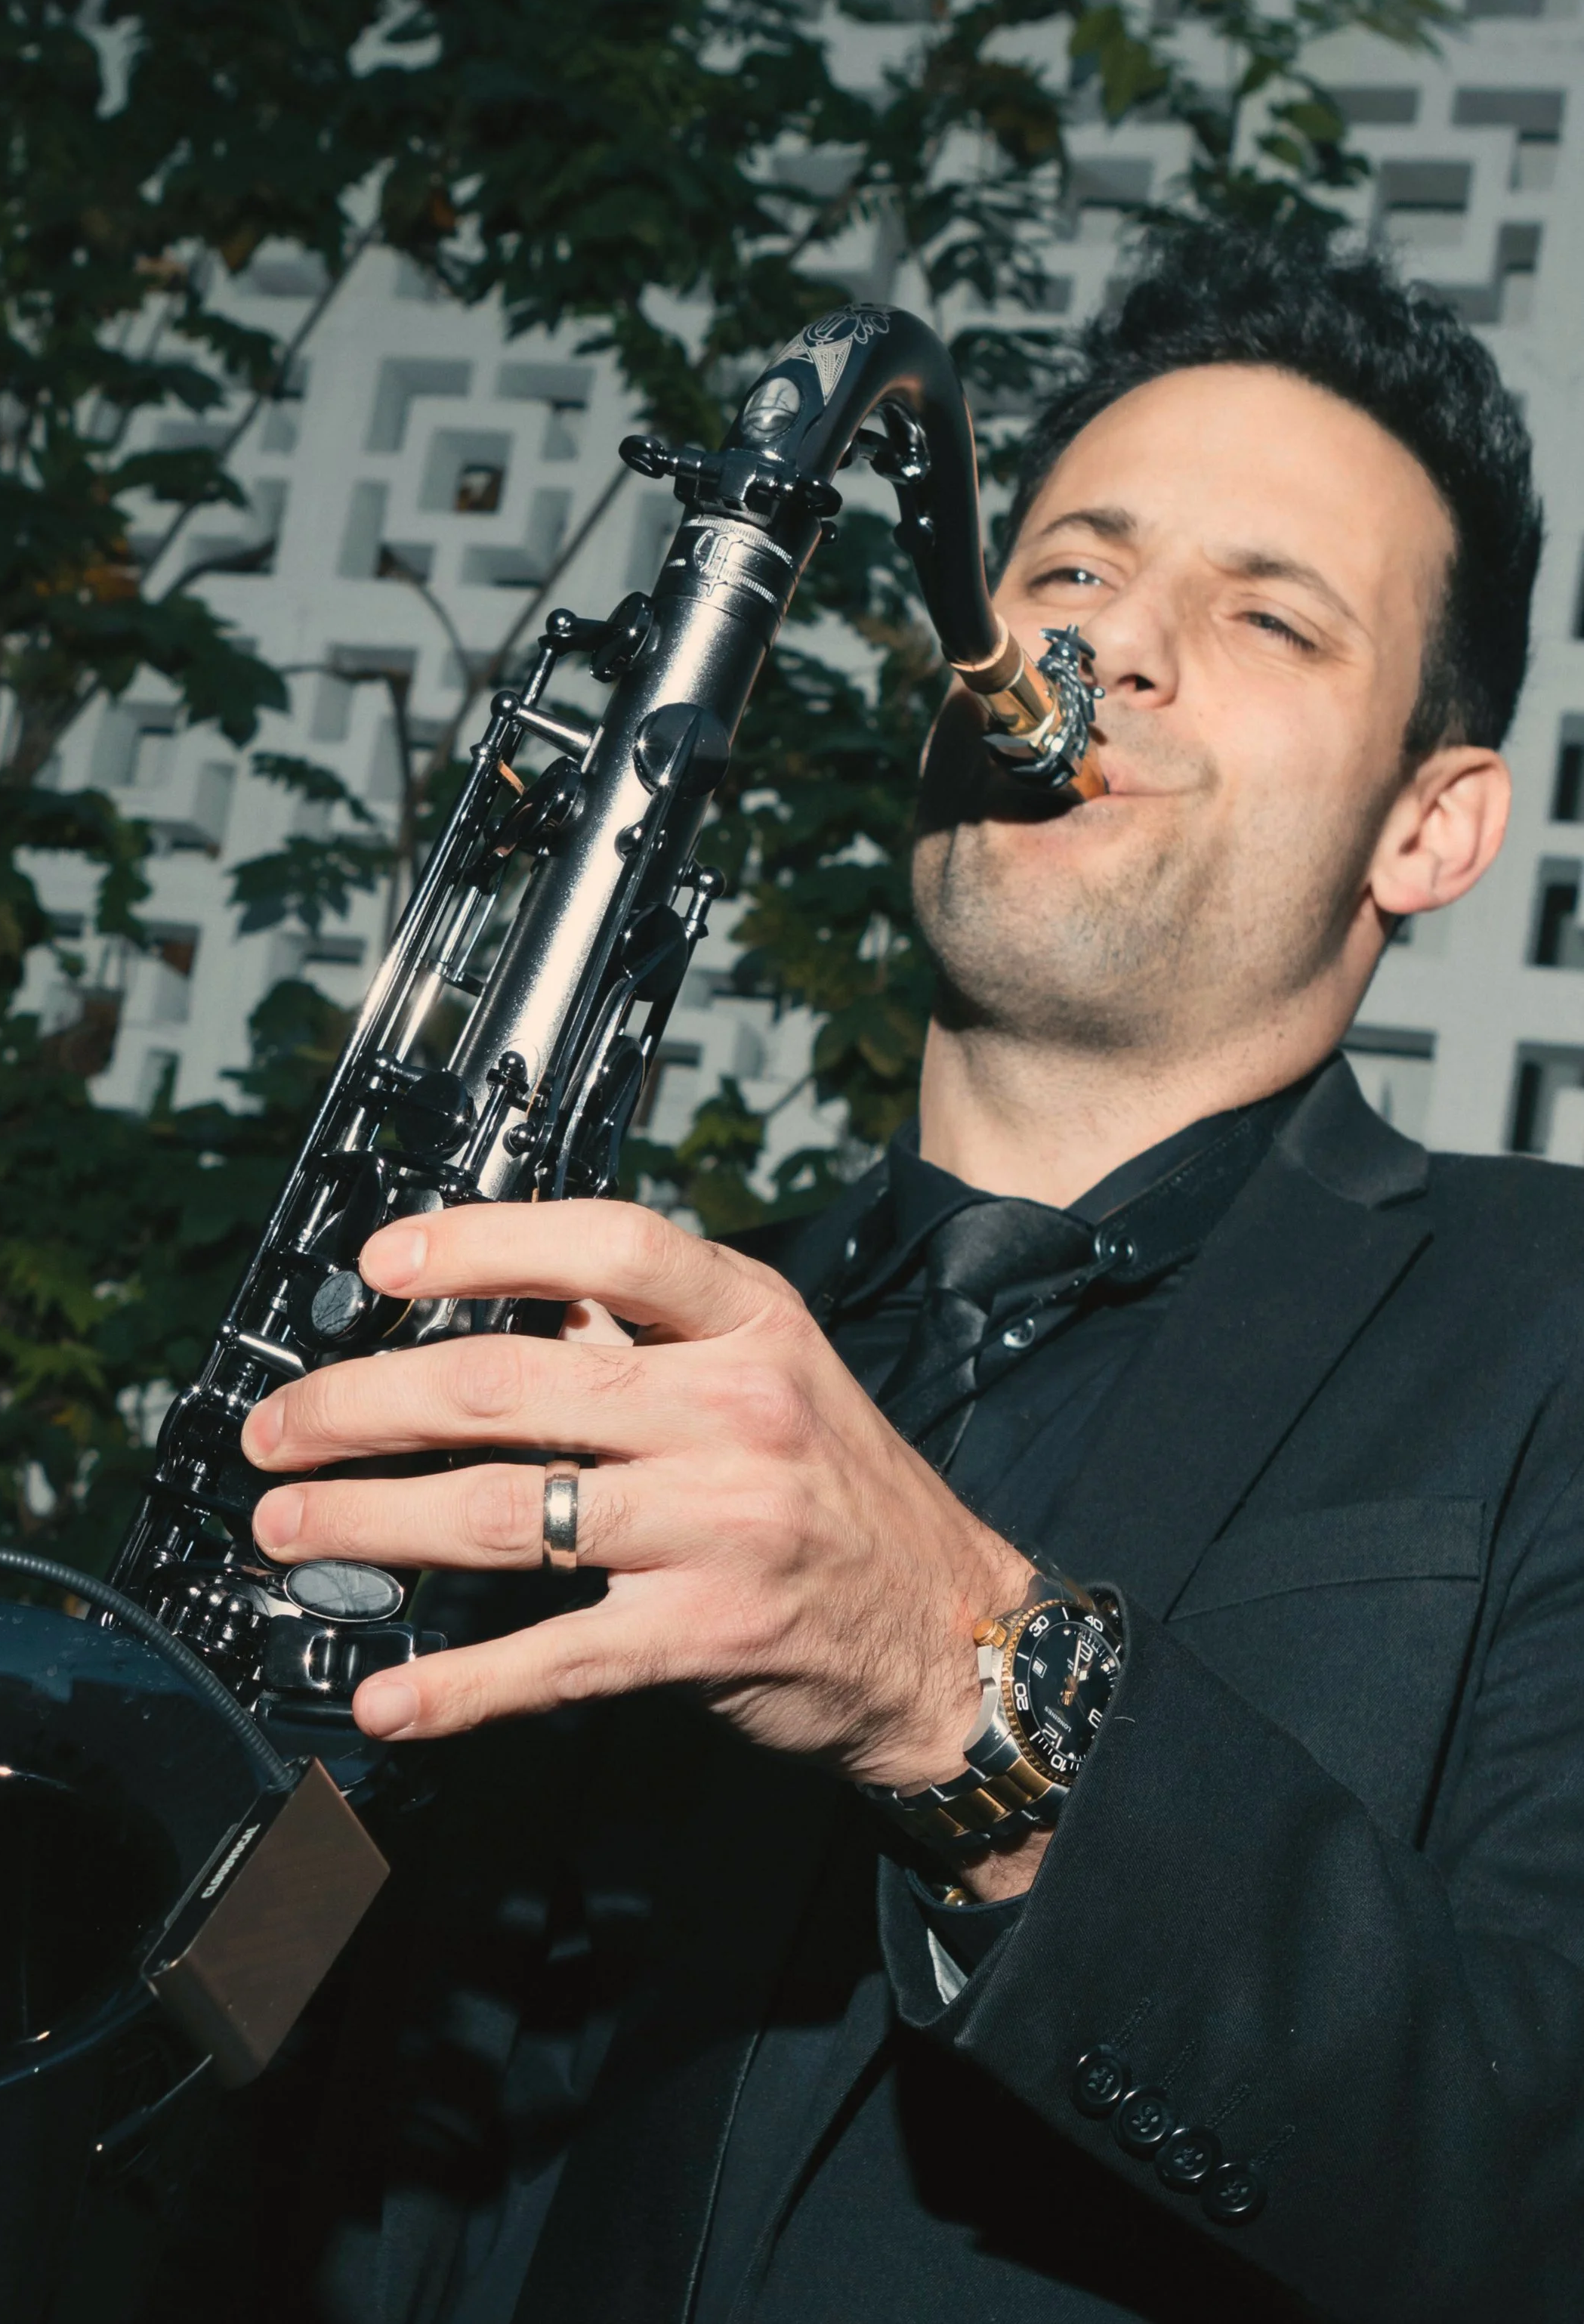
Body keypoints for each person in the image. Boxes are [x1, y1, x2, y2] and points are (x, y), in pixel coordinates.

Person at [236, 222, 1576, 2323]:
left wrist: (969, 1685)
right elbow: (330, 2105)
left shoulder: (1546, 1318)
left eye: (1267, 615)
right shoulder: (600, 1344)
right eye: (1069, 569)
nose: (1113, 647)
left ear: (1434, 825)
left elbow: (1534, 2188)